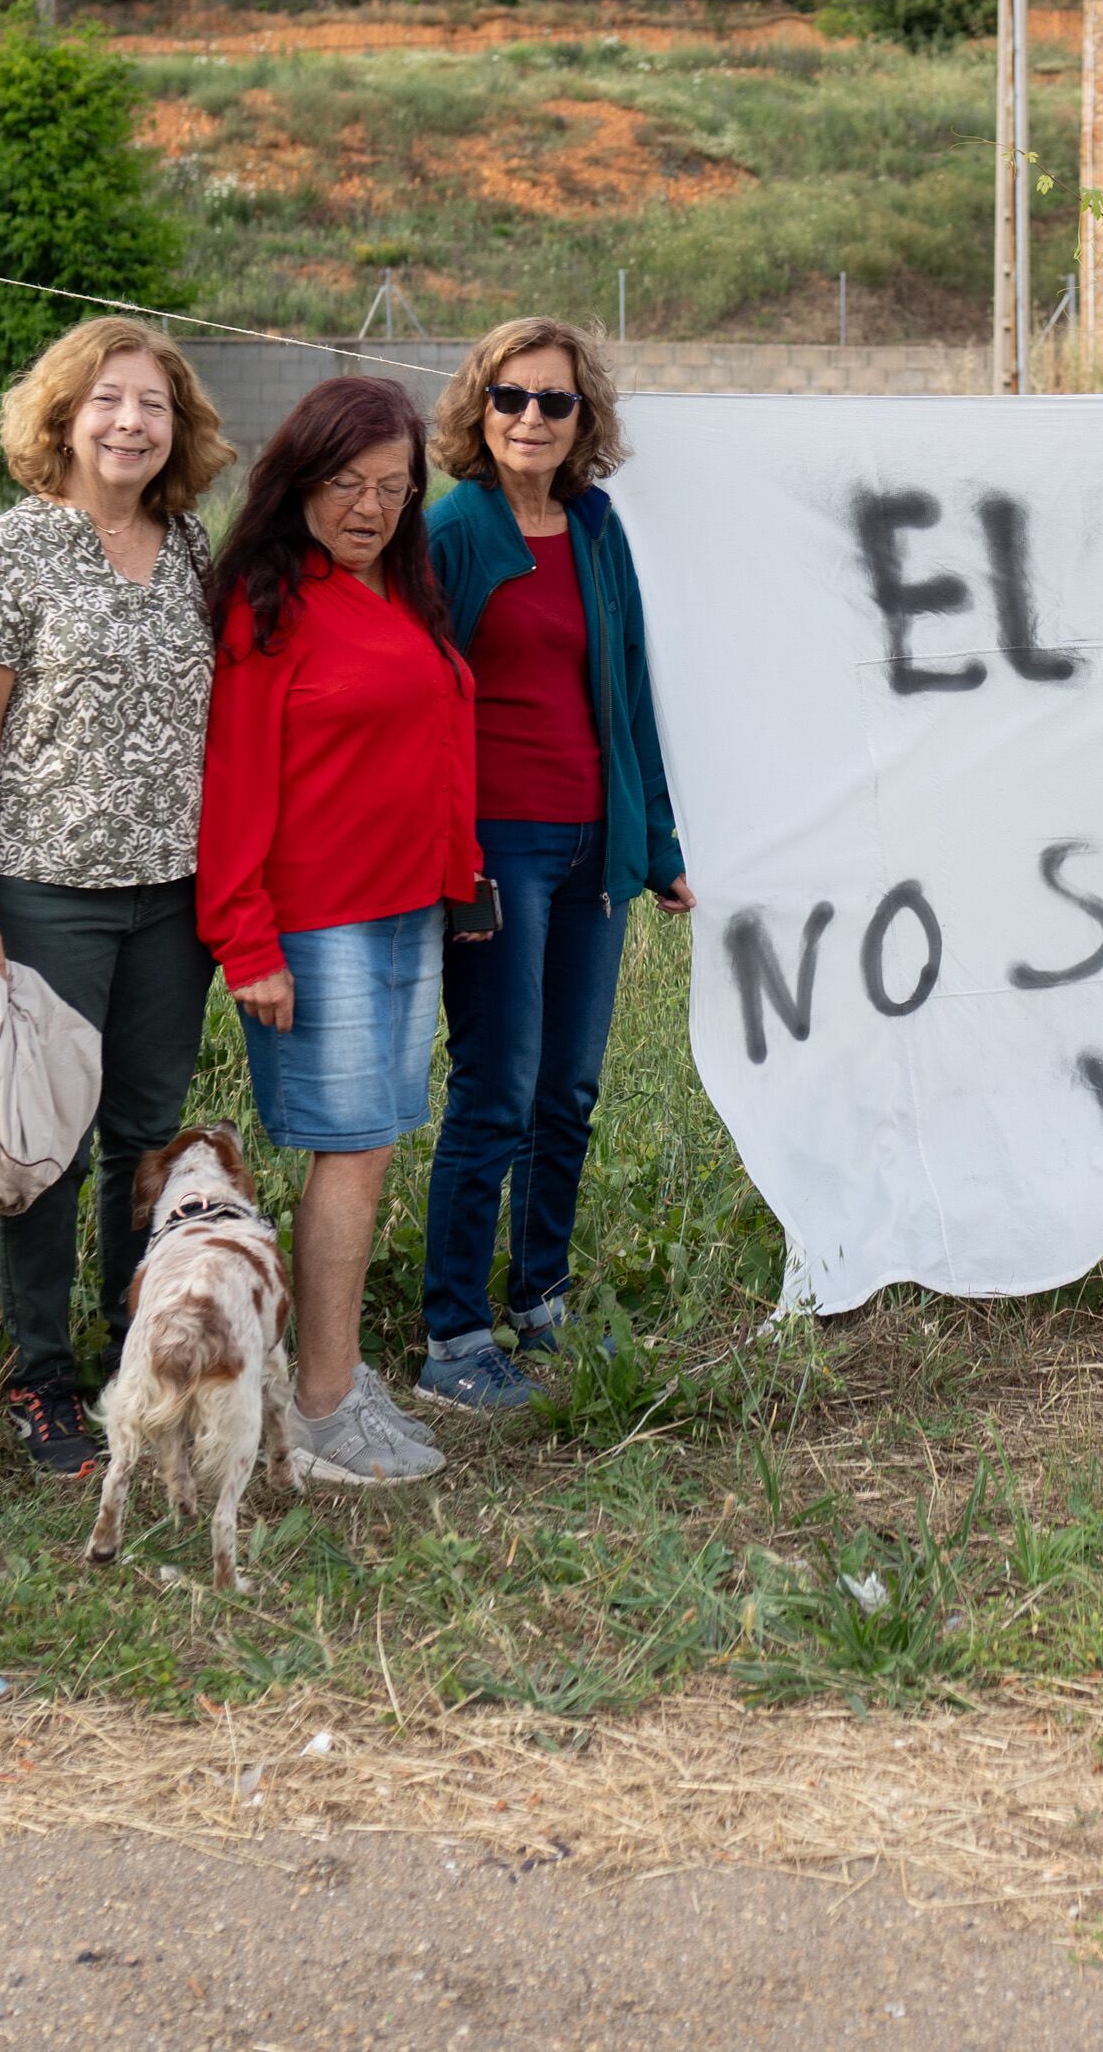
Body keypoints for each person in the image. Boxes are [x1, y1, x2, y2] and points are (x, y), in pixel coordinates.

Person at [0, 316, 235, 1480]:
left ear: (178, 427)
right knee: (43, 1145)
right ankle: (40, 1378)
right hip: (48, 891)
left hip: (174, 898)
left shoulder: (192, 550)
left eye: (153, 405)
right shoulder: (11, 552)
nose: (130, 422)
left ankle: (132, 1361)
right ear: (62, 416)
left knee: (143, 1140)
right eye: (109, 400)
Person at [197, 376, 481, 1487]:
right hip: (320, 923)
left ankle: (333, 1372)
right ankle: (318, 1412)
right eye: (348, 484)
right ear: (300, 480)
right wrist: (246, 940)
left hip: (407, 909)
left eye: (395, 489)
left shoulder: (395, 593)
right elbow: (232, 785)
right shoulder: (267, 603)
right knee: (350, 1151)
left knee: (368, 1144)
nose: (370, 507)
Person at [416, 318, 696, 1411]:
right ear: (477, 410)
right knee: (495, 1090)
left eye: (555, 402)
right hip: (496, 851)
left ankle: (540, 1304)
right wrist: (445, 850)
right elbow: (416, 700)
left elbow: (627, 685)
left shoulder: (592, 524)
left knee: (568, 1090)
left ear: (584, 419)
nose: (532, 418)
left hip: (593, 849)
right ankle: (451, 1338)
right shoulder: (454, 532)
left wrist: (657, 842)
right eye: (511, 398)